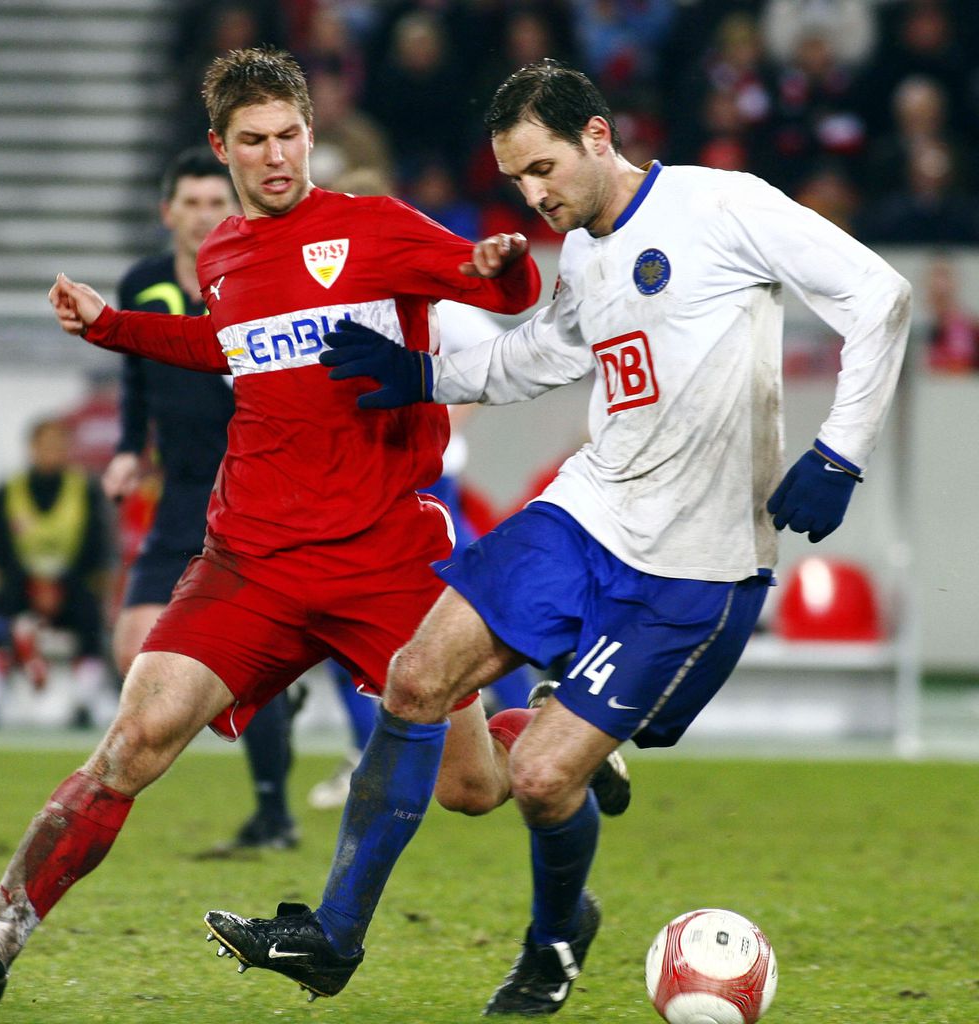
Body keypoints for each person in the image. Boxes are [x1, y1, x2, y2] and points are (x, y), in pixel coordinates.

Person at [202, 59, 911, 1014]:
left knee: (537, 780)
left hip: (694, 567)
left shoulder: (723, 206)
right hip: (588, 512)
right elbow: (543, 353)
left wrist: (841, 451)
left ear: (599, 137)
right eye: (516, 182)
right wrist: (422, 375)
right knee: (414, 678)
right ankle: (332, 937)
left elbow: (880, 297)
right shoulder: (582, 253)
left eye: (542, 170)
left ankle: (557, 935)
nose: (533, 197)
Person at [0, 45, 543, 1005]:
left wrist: (497, 266)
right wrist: (111, 326)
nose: (276, 157)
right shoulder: (225, 253)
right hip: (253, 562)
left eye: (290, 137)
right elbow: (220, 341)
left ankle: (544, 742)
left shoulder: (376, 229)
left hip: (383, 552)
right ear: (222, 150)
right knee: (135, 739)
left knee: (472, 792)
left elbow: (503, 295)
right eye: (253, 142)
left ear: (312, 134)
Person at [103, 145, 301, 850]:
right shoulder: (144, 282)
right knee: (134, 645)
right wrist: (130, 448)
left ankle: (274, 812)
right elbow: (134, 379)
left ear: (233, 208)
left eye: (216, 202)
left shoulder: (258, 276)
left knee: (241, 656)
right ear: (168, 213)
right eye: (190, 203)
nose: (203, 215)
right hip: (182, 490)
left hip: (250, 492)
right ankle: (272, 698)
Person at [0, 418, 114, 730]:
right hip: (20, 587)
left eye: (58, 446)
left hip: (71, 588)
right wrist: (33, 585)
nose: (51, 453)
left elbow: (95, 546)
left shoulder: (85, 490)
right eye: (45, 446)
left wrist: (60, 585)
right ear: (32, 448)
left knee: (89, 617)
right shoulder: (7, 491)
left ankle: (88, 699)